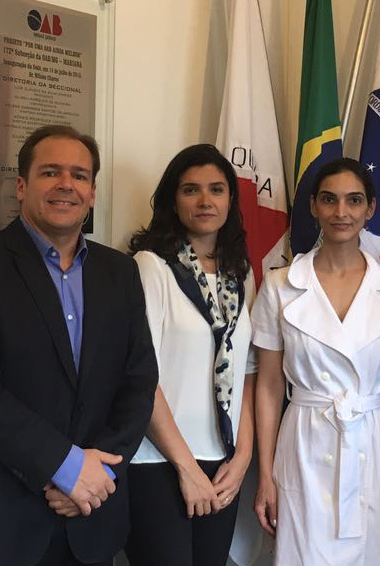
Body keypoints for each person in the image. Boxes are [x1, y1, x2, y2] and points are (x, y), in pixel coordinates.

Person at [0, 125, 158, 566]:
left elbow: (139, 383)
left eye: (79, 175)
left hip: (89, 519)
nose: (66, 184)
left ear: (92, 193)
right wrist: (66, 468)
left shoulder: (120, 273)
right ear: (22, 187)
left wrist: (98, 473)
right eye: (50, 172)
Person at [252, 158, 380, 565]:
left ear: (370, 208)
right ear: (313, 206)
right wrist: (265, 475)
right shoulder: (280, 285)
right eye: (329, 200)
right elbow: (269, 385)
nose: (341, 212)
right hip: (304, 442)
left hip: (373, 443)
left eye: (354, 200)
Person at [123, 144, 256, 566]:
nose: (205, 201)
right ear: (172, 200)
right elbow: (140, 377)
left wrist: (243, 457)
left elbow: (245, 373)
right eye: (190, 190)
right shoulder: (151, 267)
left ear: (230, 200)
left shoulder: (241, 273)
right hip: (158, 461)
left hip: (222, 461)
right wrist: (186, 468)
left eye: (216, 189)